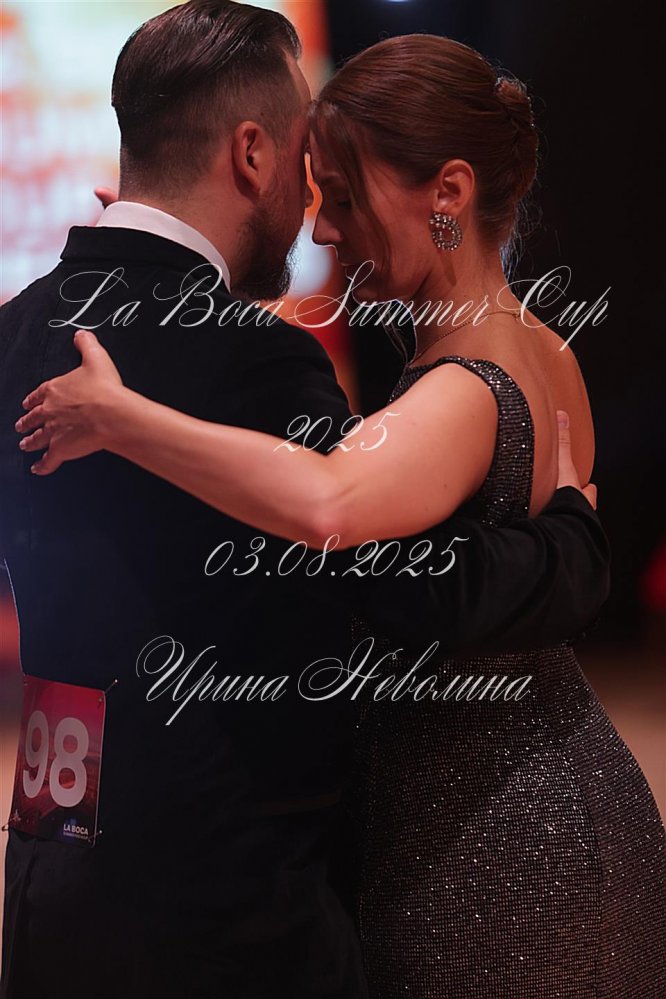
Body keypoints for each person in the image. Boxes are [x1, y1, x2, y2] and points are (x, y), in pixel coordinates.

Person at [17, 30, 665, 999]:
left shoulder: (457, 390)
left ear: (447, 195)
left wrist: (122, 415)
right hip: (494, 811)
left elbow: (333, 505)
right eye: (318, 190)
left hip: (486, 843)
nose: (323, 231)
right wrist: (575, 546)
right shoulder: (541, 348)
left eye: (347, 197)